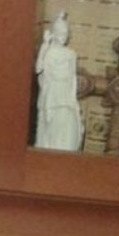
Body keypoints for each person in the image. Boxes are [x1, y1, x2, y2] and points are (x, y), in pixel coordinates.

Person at [35, 11, 84, 152]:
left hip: (65, 99)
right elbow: (38, 69)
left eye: (65, 34)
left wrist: (74, 103)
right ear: (54, 34)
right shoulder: (49, 52)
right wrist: (44, 45)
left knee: (67, 133)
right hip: (51, 97)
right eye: (60, 33)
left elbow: (72, 79)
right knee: (48, 134)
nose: (63, 37)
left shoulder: (71, 54)